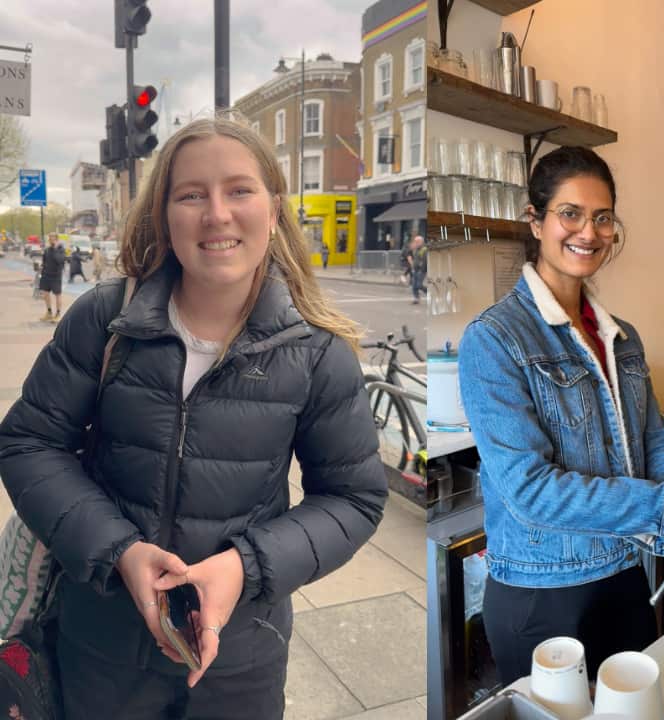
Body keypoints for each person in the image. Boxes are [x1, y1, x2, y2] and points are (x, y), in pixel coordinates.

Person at [0, 114, 388, 720]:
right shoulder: (104, 319)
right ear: (164, 213)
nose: (217, 214)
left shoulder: (317, 353)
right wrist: (120, 552)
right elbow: (29, 443)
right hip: (100, 648)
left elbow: (354, 498)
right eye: (191, 195)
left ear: (274, 206)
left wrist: (244, 567)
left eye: (239, 189)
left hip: (242, 660)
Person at [458, 146, 664, 683]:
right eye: (571, 213)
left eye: (602, 217)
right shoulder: (493, 339)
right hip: (543, 592)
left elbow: (656, 438)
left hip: (626, 575)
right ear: (535, 221)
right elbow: (530, 489)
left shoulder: (622, 337)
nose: (589, 231)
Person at [39, 233, 67, 321]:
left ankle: (58, 314)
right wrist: (42, 271)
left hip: (56, 276)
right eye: (50, 239)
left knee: (57, 295)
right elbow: (44, 262)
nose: (51, 241)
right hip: (46, 275)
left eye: (53, 239)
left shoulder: (61, 250)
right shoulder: (47, 250)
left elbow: (59, 260)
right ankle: (49, 312)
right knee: (45, 294)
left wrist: (55, 249)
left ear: (57, 240)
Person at [408, 235, 427, 305]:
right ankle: (416, 298)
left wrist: (422, 269)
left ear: (421, 242)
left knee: (419, 285)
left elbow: (425, 261)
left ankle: (428, 292)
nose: (415, 243)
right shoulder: (416, 249)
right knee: (414, 285)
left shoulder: (424, 249)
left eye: (417, 241)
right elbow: (415, 259)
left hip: (421, 270)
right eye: (415, 241)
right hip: (415, 270)